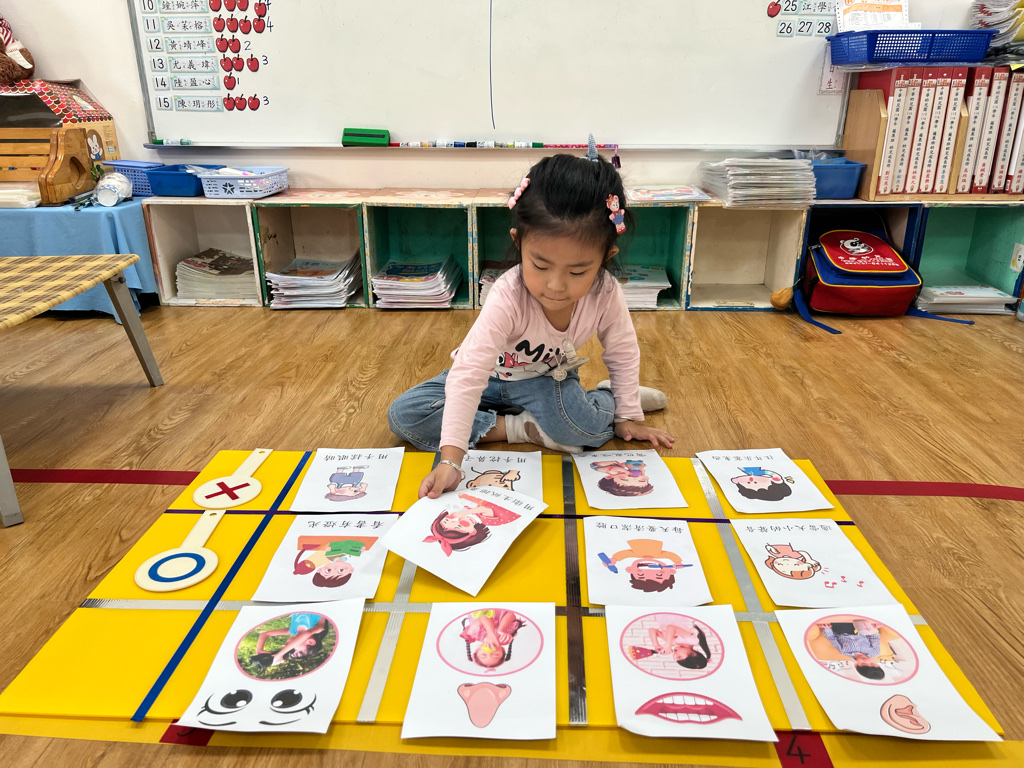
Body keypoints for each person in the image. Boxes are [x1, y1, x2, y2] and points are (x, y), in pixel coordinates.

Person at [387, 149, 675, 499]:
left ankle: (609, 397)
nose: (555, 285)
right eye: (540, 266)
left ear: (605, 258)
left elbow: (622, 352)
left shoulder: (606, 292)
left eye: (578, 271)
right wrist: (450, 461)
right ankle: (522, 427)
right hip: (489, 379)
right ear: (518, 242)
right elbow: (470, 373)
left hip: (544, 382)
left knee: (584, 430)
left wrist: (627, 415)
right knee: (405, 414)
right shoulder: (507, 294)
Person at [422, 492, 521, 556]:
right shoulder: (485, 520)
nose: (458, 519)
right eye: (460, 525)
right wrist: (463, 513)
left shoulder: (466, 509)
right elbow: (486, 509)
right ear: (472, 531)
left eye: (448, 520)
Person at [601, 538, 692, 593]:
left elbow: (627, 553)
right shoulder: (659, 554)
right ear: (671, 571)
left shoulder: (635, 554)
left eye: (641, 575)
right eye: (659, 575)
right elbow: (668, 555)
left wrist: (614, 559)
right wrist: (677, 562)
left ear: (630, 569)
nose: (648, 570)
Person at [248, 613, 329, 672]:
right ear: (310, 642)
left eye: (290, 650)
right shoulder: (319, 628)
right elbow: (306, 634)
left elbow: (265, 634)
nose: (289, 648)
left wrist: (259, 650)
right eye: (294, 650)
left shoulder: (292, 630)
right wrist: (279, 655)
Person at [817, 619, 888, 681]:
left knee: (842, 628)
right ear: (876, 664)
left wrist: (827, 628)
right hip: (860, 629)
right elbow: (874, 637)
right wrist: (875, 628)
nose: (866, 661)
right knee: (863, 627)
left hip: (841, 631)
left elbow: (832, 638)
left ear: (856, 665)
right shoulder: (875, 652)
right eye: (872, 663)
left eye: (863, 663)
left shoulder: (844, 651)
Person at [629, 619, 711, 670]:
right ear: (693, 654)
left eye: (675, 657)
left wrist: (656, 645)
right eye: (679, 656)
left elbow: (652, 630)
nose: (675, 654)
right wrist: (668, 644)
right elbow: (671, 627)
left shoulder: (674, 643)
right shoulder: (692, 640)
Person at [590, 459, 654, 497]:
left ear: (609, 476)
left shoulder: (613, 469)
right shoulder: (639, 467)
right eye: (641, 481)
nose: (634, 477)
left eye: (624, 479)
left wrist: (605, 469)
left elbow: (593, 465)